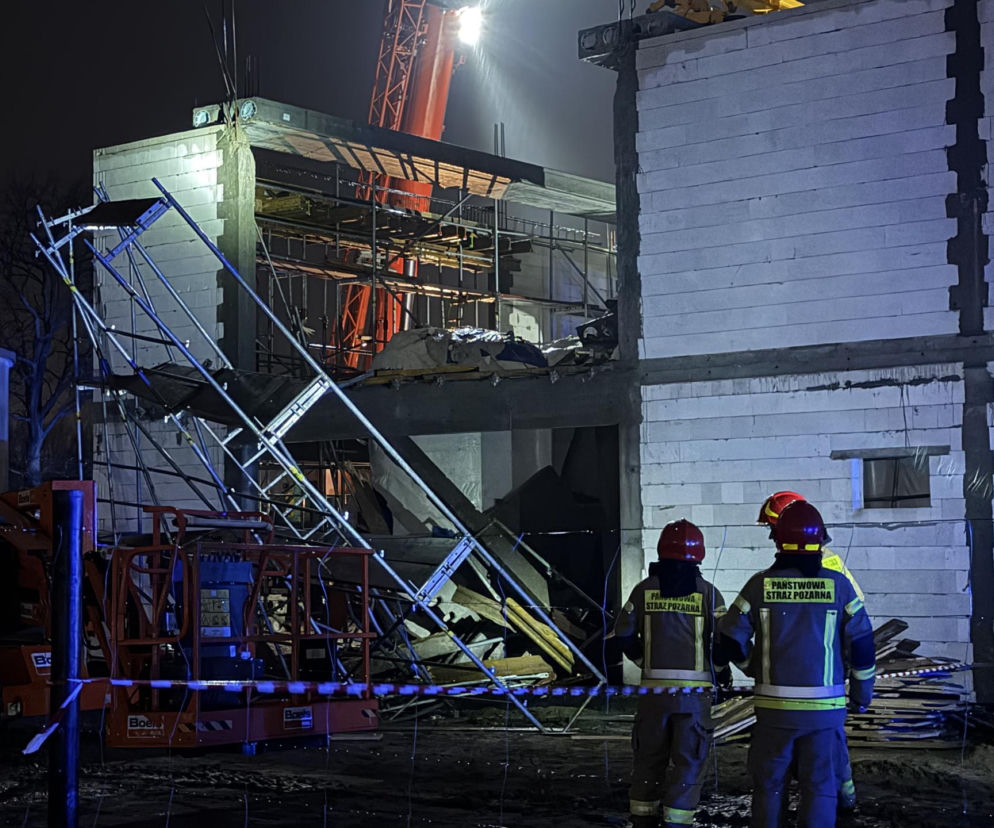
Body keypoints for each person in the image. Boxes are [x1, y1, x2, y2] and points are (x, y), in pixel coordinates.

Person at [718, 501, 875, 827]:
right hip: (824, 713)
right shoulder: (840, 586)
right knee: (819, 788)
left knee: (769, 787)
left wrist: (752, 666)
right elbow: (862, 644)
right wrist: (862, 695)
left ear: (778, 540)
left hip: (773, 712)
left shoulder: (758, 585)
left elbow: (729, 637)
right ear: (820, 541)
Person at [612, 519, 729, 828]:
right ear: (699, 554)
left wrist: (643, 661)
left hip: (654, 696)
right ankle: (677, 820)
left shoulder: (643, 590)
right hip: (693, 699)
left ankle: (642, 817)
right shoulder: (709, 593)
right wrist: (720, 673)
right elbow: (724, 643)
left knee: (648, 758)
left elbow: (622, 635)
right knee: (689, 761)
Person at [757, 491, 863, 812]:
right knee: (826, 738)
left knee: (825, 743)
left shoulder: (820, 565)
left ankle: (842, 798)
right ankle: (839, 797)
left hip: (816, 666)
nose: (772, 536)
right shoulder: (824, 560)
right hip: (823, 667)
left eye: (774, 528)